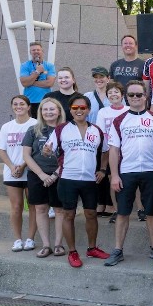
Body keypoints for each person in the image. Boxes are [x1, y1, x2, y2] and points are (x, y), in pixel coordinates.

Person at [103, 80, 153, 266]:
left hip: (151, 170)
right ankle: (118, 250)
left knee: (152, 212)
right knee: (122, 212)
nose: (136, 98)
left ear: (145, 96)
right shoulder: (119, 120)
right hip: (127, 171)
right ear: (126, 97)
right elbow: (114, 150)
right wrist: (114, 175)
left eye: (139, 94)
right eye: (131, 95)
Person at [52, 94, 111, 268]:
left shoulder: (96, 130)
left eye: (82, 108)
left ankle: (92, 248)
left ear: (88, 110)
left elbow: (105, 151)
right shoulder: (61, 129)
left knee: (91, 214)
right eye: (75, 108)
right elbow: (49, 149)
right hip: (68, 178)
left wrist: (102, 169)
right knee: (68, 215)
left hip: (89, 180)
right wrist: (48, 151)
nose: (79, 111)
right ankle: (72, 252)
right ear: (70, 110)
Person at [21, 98, 65, 259]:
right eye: (45, 109)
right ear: (40, 112)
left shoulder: (66, 129)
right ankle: (46, 245)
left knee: (60, 210)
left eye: (52, 109)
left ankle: (58, 244)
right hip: (37, 175)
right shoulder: (33, 130)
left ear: (59, 111)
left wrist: (54, 175)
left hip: (60, 176)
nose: (48, 112)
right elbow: (26, 155)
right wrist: (41, 174)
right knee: (40, 209)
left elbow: (70, 156)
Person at [0, 95, 38, 253]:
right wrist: (12, 166)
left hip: (31, 172)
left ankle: (30, 238)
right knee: (16, 207)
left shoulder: (35, 124)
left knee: (33, 206)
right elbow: (1, 150)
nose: (18, 106)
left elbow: (36, 150)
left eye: (22, 104)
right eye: (15, 104)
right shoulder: (6, 127)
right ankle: (17, 239)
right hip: (12, 173)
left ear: (29, 107)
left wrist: (23, 165)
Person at [94, 81, 126, 220]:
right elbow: (100, 133)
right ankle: (117, 210)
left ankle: (140, 209)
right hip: (108, 151)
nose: (113, 95)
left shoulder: (128, 110)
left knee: (128, 179)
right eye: (110, 93)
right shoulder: (103, 112)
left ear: (122, 94)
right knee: (112, 178)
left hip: (126, 152)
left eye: (116, 92)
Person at [18, 41, 55, 113]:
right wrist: (37, 72)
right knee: (32, 123)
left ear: (42, 51)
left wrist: (31, 81)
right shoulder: (24, 65)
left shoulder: (49, 66)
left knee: (45, 123)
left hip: (45, 101)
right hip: (30, 101)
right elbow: (24, 83)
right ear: (30, 52)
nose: (36, 52)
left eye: (38, 50)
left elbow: (49, 83)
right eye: (33, 50)